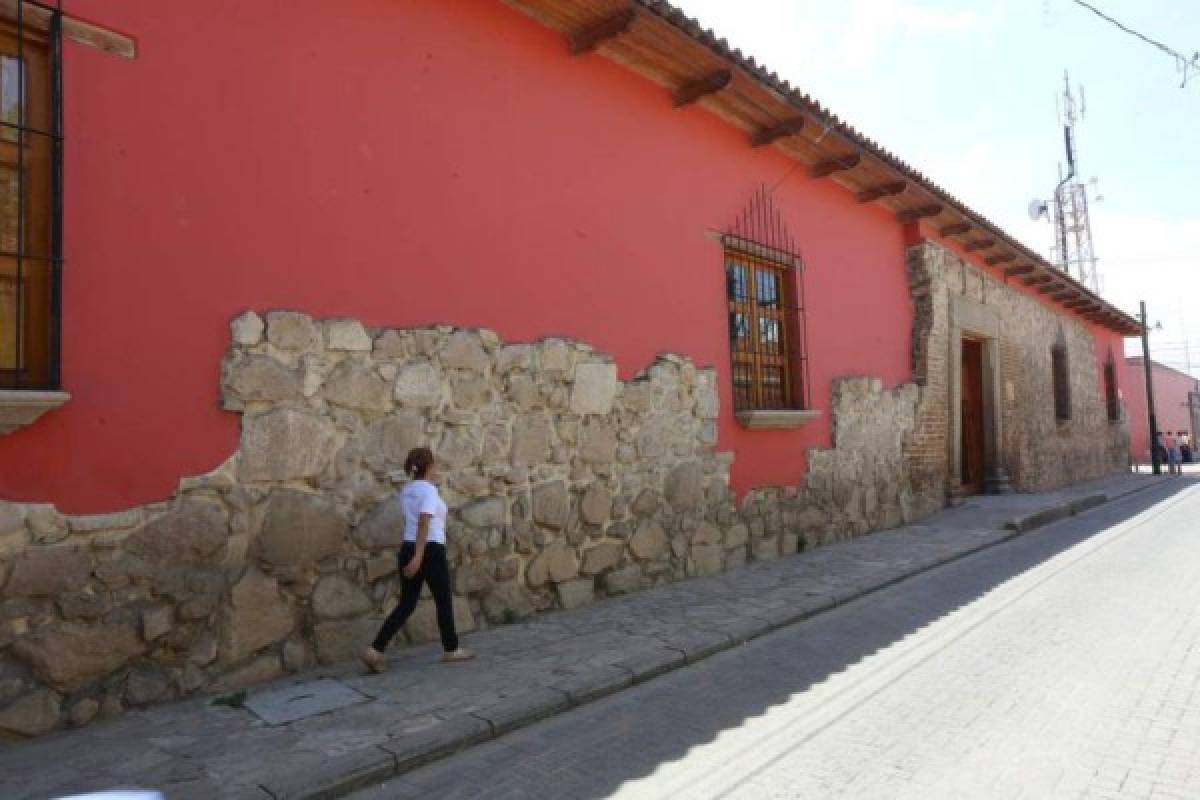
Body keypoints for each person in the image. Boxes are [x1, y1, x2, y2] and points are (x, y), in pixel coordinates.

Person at [362, 447, 474, 672]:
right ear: (430, 466)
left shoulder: (407, 490)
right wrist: (419, 557)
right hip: (429, 550)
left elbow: (413, 523)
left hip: (409, 547)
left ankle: (375, 650)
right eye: (434, 464)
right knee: (443, 600)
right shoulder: (429, 491)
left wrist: (413, 553)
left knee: (406, 604)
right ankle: (451, 649)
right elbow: (424, 522)